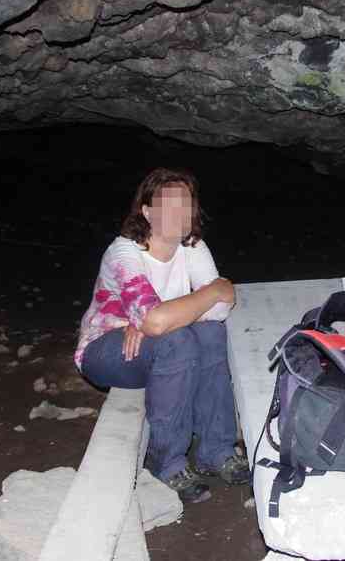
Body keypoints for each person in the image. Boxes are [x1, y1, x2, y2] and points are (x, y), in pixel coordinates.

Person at [74, 167, 247, 503]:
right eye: (166, 205)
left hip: (160, 343)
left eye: (184, 204)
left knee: (210, 335)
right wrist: (209, 293)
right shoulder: (124, 253)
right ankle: (166, 461)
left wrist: (161, 318)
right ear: (147, 211)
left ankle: (217, 449)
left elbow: (220, 311)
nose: (176, 213)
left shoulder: (193, 246)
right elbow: (168, 318)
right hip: (106, 350)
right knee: (177, 340)